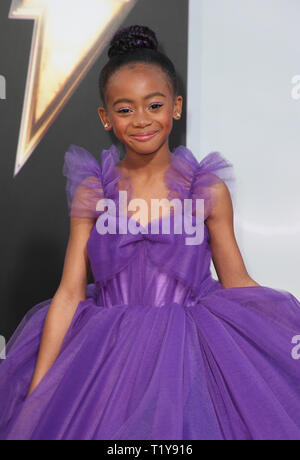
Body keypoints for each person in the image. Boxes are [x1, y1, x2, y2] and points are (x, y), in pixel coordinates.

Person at [0, 24, 300, 441]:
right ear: (106, 117)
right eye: (124, 110)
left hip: (190, 360)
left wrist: (284, 332)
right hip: (103, 364)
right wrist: (38, 393)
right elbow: (69, 292)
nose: (141, 120)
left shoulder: (206, 189)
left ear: (176, 107)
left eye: (154, 104)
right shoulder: (94, 191)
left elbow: (238, 284)